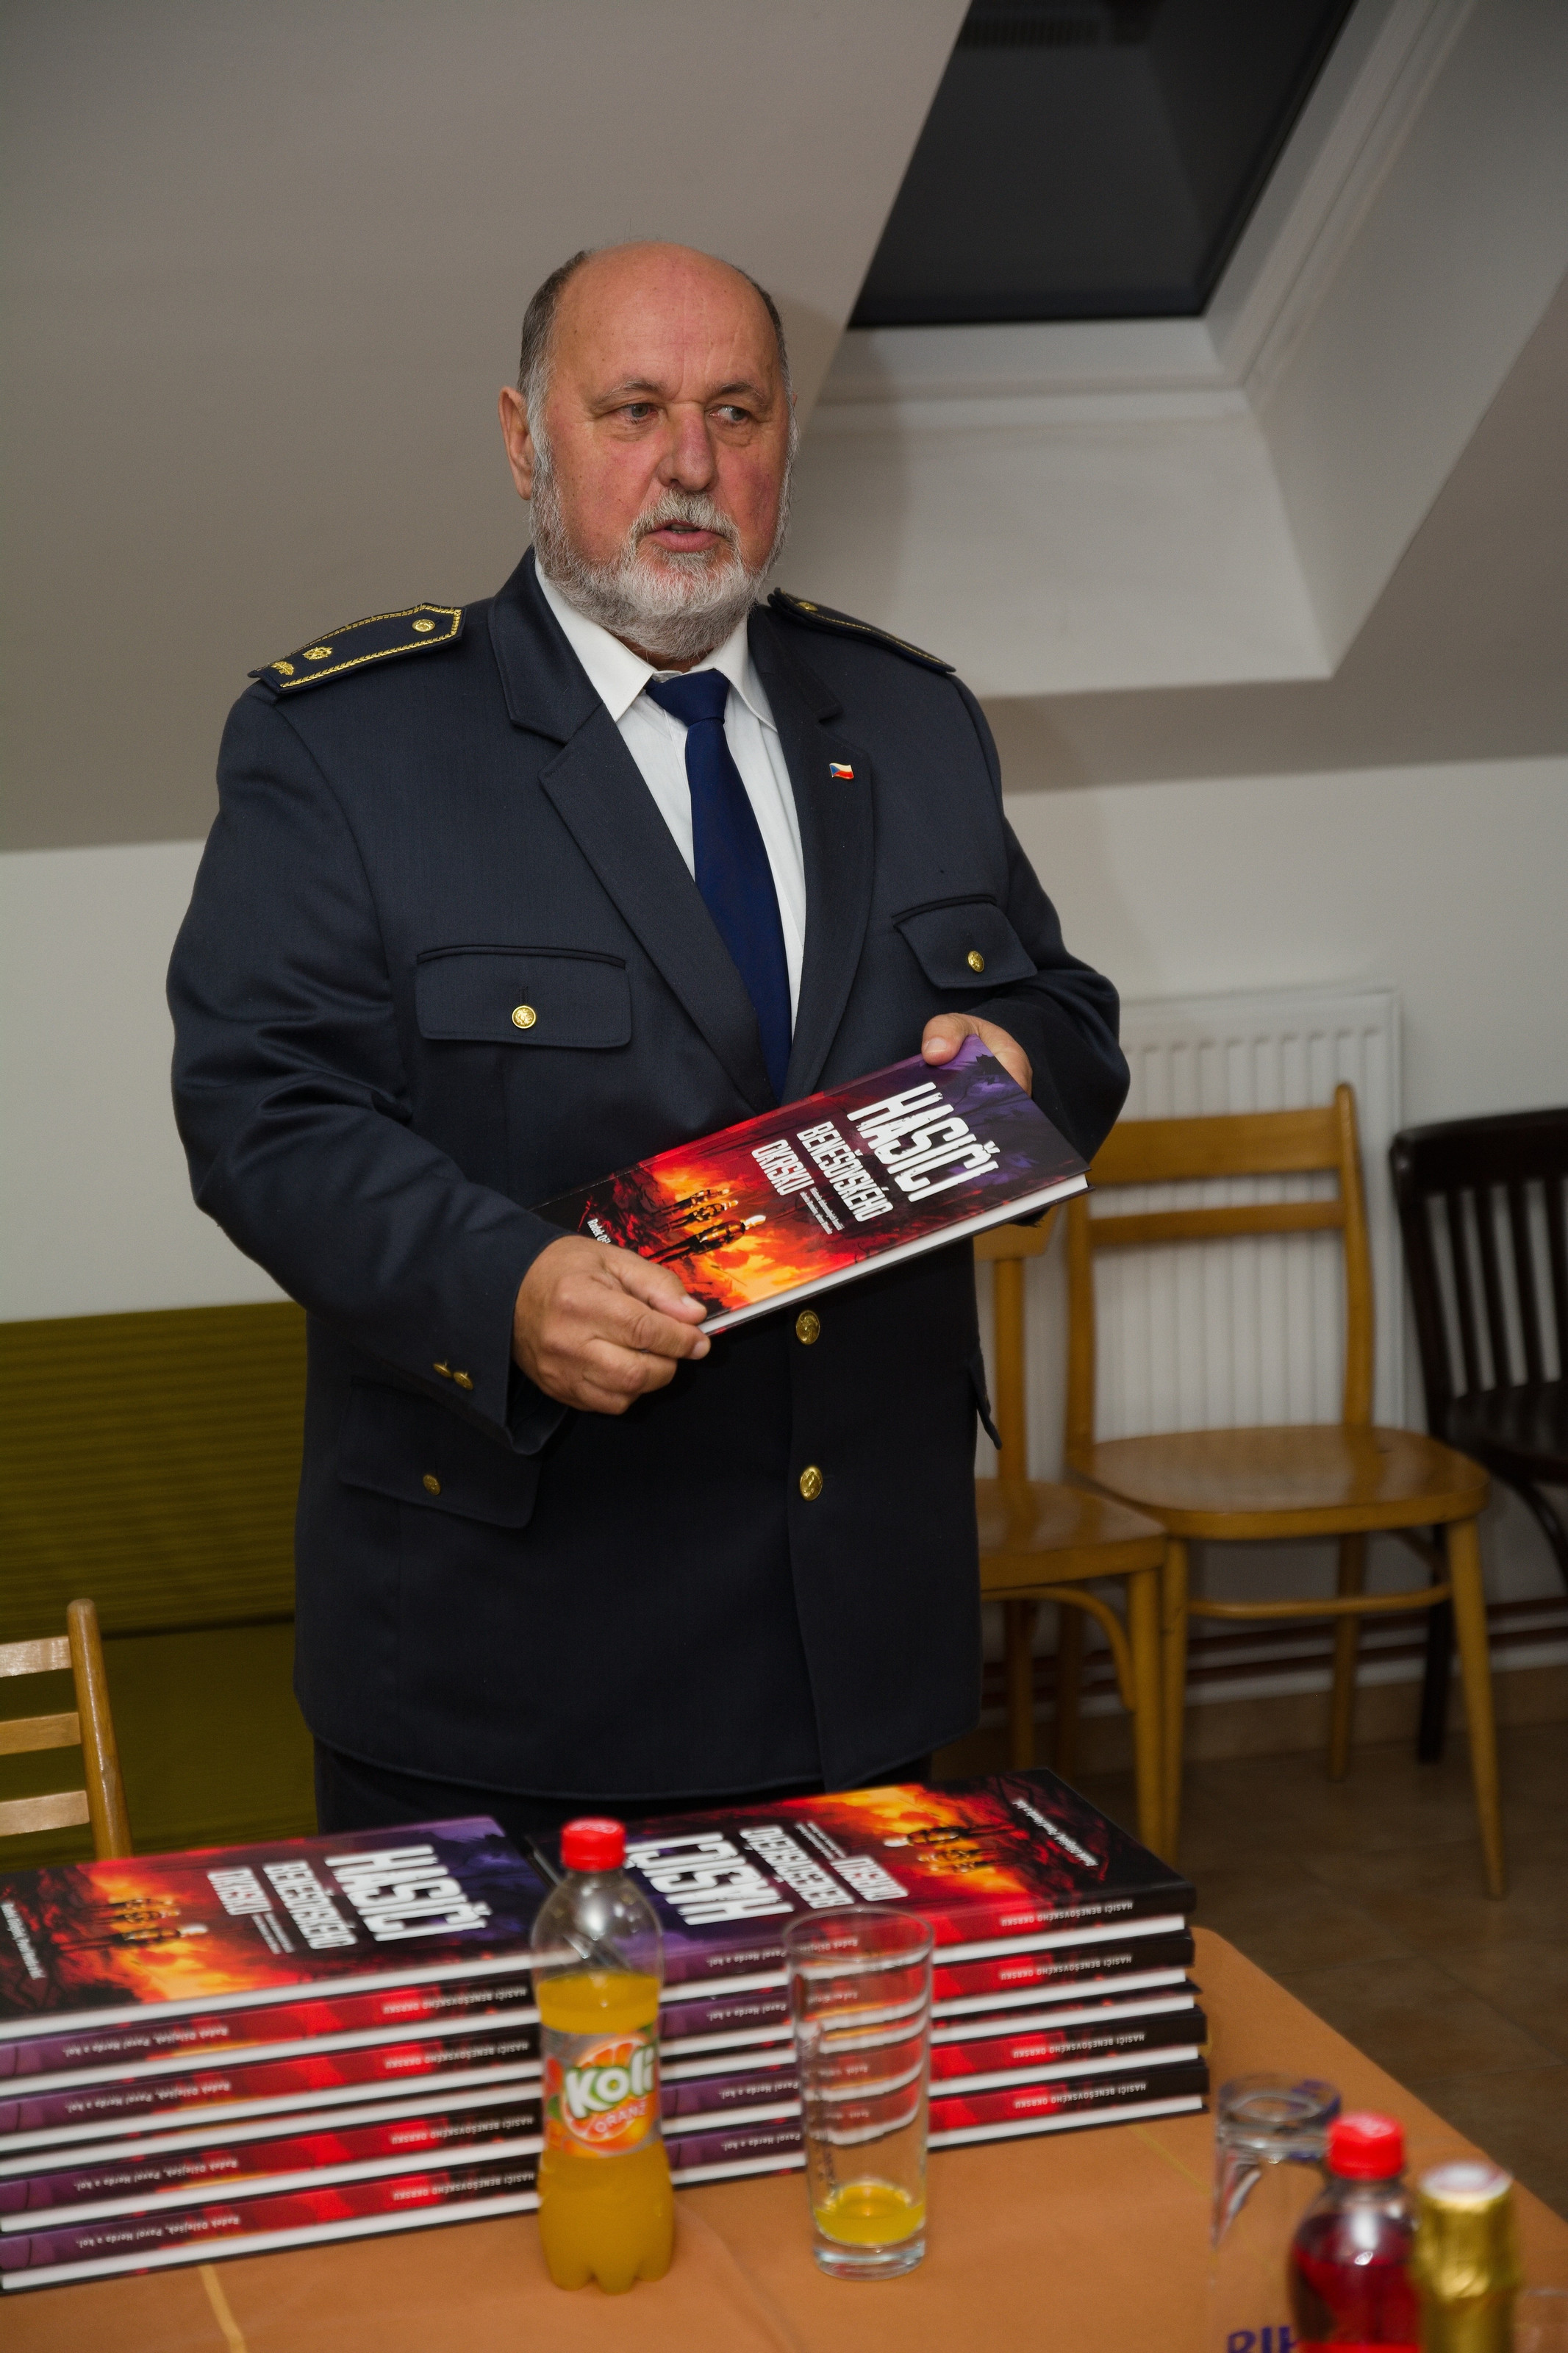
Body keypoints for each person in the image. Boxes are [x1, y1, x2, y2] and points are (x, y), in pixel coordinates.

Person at [168, 242, 1128, 1841]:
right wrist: (504, 1286)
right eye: (632, 410)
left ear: (784, 439)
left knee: (858, 2028)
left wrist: (1022, 1072)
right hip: (513, 1665)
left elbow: (1063, 1011)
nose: (690, 463)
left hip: (858, 1650)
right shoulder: (350, 746)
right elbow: (264, 1112)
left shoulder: (908, 721)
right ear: (522, 439)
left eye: (734, 412)